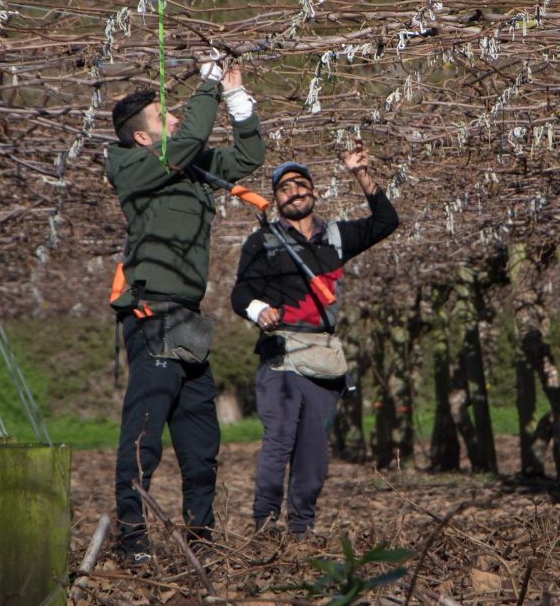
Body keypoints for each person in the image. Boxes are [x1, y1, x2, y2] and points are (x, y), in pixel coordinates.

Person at [105, 57, 264, 563]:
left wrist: (236, 97)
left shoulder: (190, 168)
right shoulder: (128, 165)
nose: (175, 119)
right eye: (163, 117)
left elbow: (248, 155)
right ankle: (133, 544)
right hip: (152, 315)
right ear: (143, 138)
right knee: (144, 436)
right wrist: (208, 83)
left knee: (201, 442)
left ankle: (201, 543)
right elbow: (191, 136)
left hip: (187, 321)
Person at [230, 144, 399, 537]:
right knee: (280, 438)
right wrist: (258, 310)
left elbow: (386, 221)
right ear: (275, 200)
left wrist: (362, 173)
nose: (294, 191)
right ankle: (266, 525)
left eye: (301, 184)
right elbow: (240, 293)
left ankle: (301, 528)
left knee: (314, 450)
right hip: (281, 355)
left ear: (314, 192)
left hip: (323, 357)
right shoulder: (263, 242)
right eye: (285, 187)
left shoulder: (337, 236)